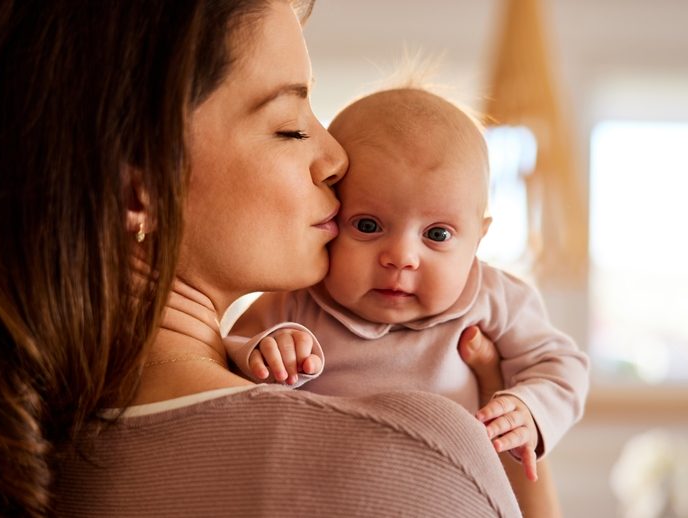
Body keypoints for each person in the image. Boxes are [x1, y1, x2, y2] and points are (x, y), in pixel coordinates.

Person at [0, 1, 525, 516]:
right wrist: (501, 417)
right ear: (138, 189)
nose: (335, 157)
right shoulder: (417, 455)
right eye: (290, 125)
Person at [225, 87, 589, 505]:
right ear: (329, 219)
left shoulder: (492, 297)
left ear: (477, 239)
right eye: (367, 225)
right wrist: (266, 351)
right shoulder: (295, 300)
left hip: (450, 500)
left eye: (437, 234)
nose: (401, 257)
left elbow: (561, 365)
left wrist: (528, 408)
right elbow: (226, 360)